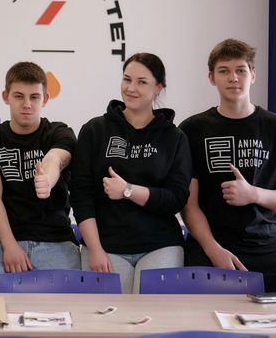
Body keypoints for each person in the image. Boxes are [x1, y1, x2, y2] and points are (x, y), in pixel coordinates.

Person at [179, 38, 276, 306]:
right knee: (202, 321)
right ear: (211, 77)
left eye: (241, 70)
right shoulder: (192, 129)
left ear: (253, 74)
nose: (233, 78)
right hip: (211, 246)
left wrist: (253, 194)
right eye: (224, 71)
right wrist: (213, 250)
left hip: (268, 247)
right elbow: (189, 205)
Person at [69, 53, 191, 293]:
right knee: (111, 315)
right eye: (127, 79)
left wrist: (128, 190)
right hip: (105, 245)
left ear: (158, 87)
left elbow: (176, 198)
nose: (131, 88)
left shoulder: (175, 138)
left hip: (160, 244)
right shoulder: (95, 130)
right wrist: (95, 249)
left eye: (142, 82)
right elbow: (81, 195)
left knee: (149, 314)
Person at [0, 61, 79, 292]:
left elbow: (56, 159)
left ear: (45, 99)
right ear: (6, 97)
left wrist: (47, 179)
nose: (27, 105)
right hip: (0, 239)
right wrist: (10, 245)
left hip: (55, 239)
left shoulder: (59, 132)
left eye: (34, 97)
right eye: (19, 96)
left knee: (70, 306)